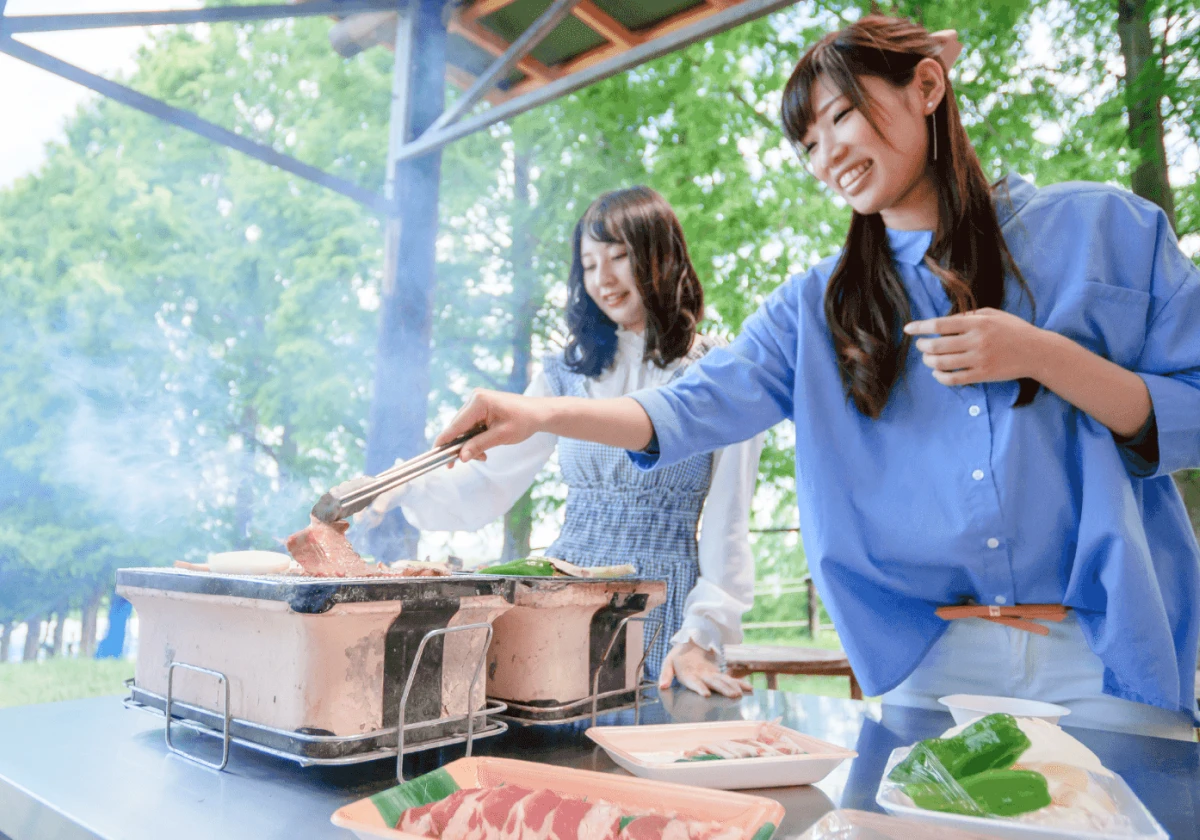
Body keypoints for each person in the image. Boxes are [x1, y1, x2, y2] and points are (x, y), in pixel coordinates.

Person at [428, 16, 1200, 740]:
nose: (826, 152)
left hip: (1107, 652)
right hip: (929, 667)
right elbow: (684, 409)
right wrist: (534, 413)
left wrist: (1042, 356)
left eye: (841, 117)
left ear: (928, 88)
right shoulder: (813, 309)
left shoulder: (1107, 231)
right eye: (806, 141)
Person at [368, 186, 765, 699]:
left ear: (662, 258)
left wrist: (703, 635)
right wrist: (404, 487)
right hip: (561, 601)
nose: (604, 279)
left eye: (620, 257)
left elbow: (728, 526)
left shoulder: (720, 375)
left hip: (666, 610)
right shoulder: (562, 375)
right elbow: (488, 482)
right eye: (589, 263)